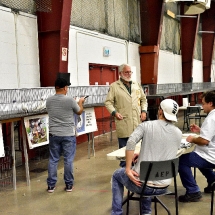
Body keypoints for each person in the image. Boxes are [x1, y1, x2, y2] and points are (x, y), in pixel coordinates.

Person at [111, 99, 182, 215]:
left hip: (143, 186)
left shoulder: (146, 126)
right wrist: (143, 153)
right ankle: (146, 212)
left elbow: (130, 142)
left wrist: (128, 169)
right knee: (148, 171)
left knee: (117, 175)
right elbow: (165, 151)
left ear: (160, 111)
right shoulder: (178, 133)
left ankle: (116, 213)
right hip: (165, 185)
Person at [46, 77, 85, 193]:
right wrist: (80, 102)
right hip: (68, 134)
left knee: (53, 159)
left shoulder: (49, 100)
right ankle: (68, 185)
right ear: (65, 88)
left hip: (54, 134)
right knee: (68, 160)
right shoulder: (70, 100)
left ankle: (51, 186)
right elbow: (79, 111)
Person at [105, 63, 148, 167]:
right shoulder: (114, 86)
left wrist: (144, 111)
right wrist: (115, 113)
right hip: (123, 121)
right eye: (126, 72)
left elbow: (143, 99)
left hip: (137, 121)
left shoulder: (136, 84)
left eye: (130, 72)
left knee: (138, 149)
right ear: (120, 73)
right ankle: (125, 171)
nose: (129, 74)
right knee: (125, 151)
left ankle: (137, 170)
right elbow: (108, 102)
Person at [178, 90, 215, 202]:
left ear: (210, 103)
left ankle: (193, 191)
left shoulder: (211, 118)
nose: (202, 106)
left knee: (181, 160)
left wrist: (192, 139)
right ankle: (213, 179)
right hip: (210, 153)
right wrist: (201, 130)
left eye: (203, 103)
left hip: (211, 155)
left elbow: (204, 141)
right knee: (196, 157)